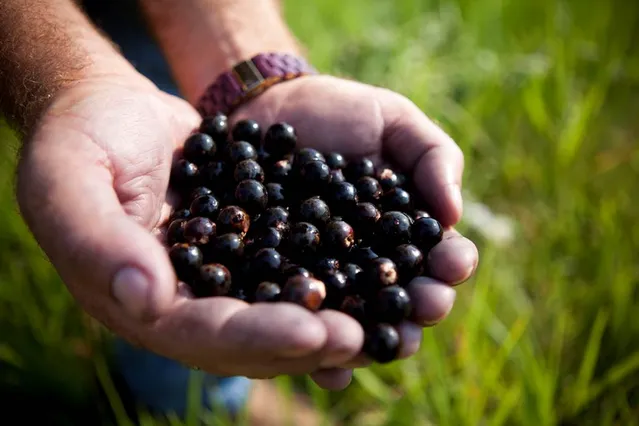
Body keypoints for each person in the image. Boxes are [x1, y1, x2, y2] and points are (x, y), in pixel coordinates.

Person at [0, 0, 479, 420]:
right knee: (147, 263)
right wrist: (77, 82)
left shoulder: (308, 210)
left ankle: (195, 395)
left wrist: (250, 70)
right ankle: (169, 396)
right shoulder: (236, 209)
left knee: (145, 48)